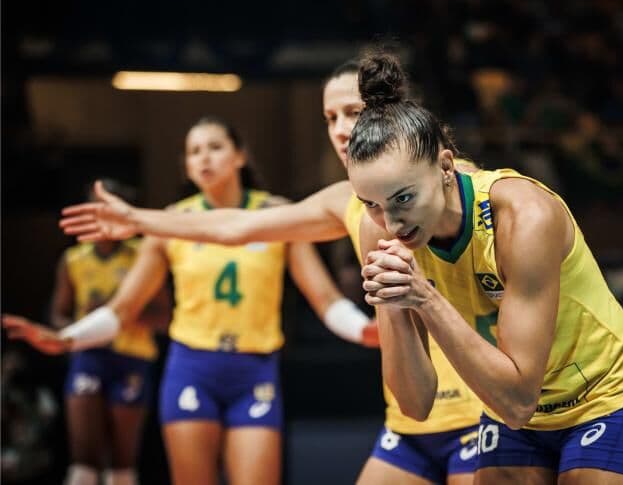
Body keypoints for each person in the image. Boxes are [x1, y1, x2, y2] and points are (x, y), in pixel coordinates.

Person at [53, 62, 484, 485]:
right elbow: (235, 226)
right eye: (330, 117)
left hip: (478, 413)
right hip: (408, 421)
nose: (338, 129)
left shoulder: (459, 185)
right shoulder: (344, 201)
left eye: (352, 112)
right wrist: (139, 220)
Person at [4, 116, 376, 485]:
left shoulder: (276, 213)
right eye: (194, 151)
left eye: (215, 147)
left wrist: (363, 329)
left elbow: (324, 296)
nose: (204, 158)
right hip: (193, 367)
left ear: (240, 156)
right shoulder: (170, 221)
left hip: (255, 369)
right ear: (185, 165)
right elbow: (123, 308)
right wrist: (66, 338)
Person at [346, 53, 623, 484]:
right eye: (372, 205)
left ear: (445, 167)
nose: (392, 224)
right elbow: (415, 404)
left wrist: (424, 297)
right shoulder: (378, 233)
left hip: (601, 396)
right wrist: (396, 307)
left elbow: (518, 399)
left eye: (403, 199)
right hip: (514, 417)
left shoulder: (523, 217)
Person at [50, 179, 171, 485]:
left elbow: (166, 316)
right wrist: (78, 325)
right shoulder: (73, 260)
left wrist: (122, 313)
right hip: (89, 356)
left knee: (122, 462)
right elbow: (57, 314)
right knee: (83, 463)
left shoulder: (142, 254)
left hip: (131, 356)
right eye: (93, 206)